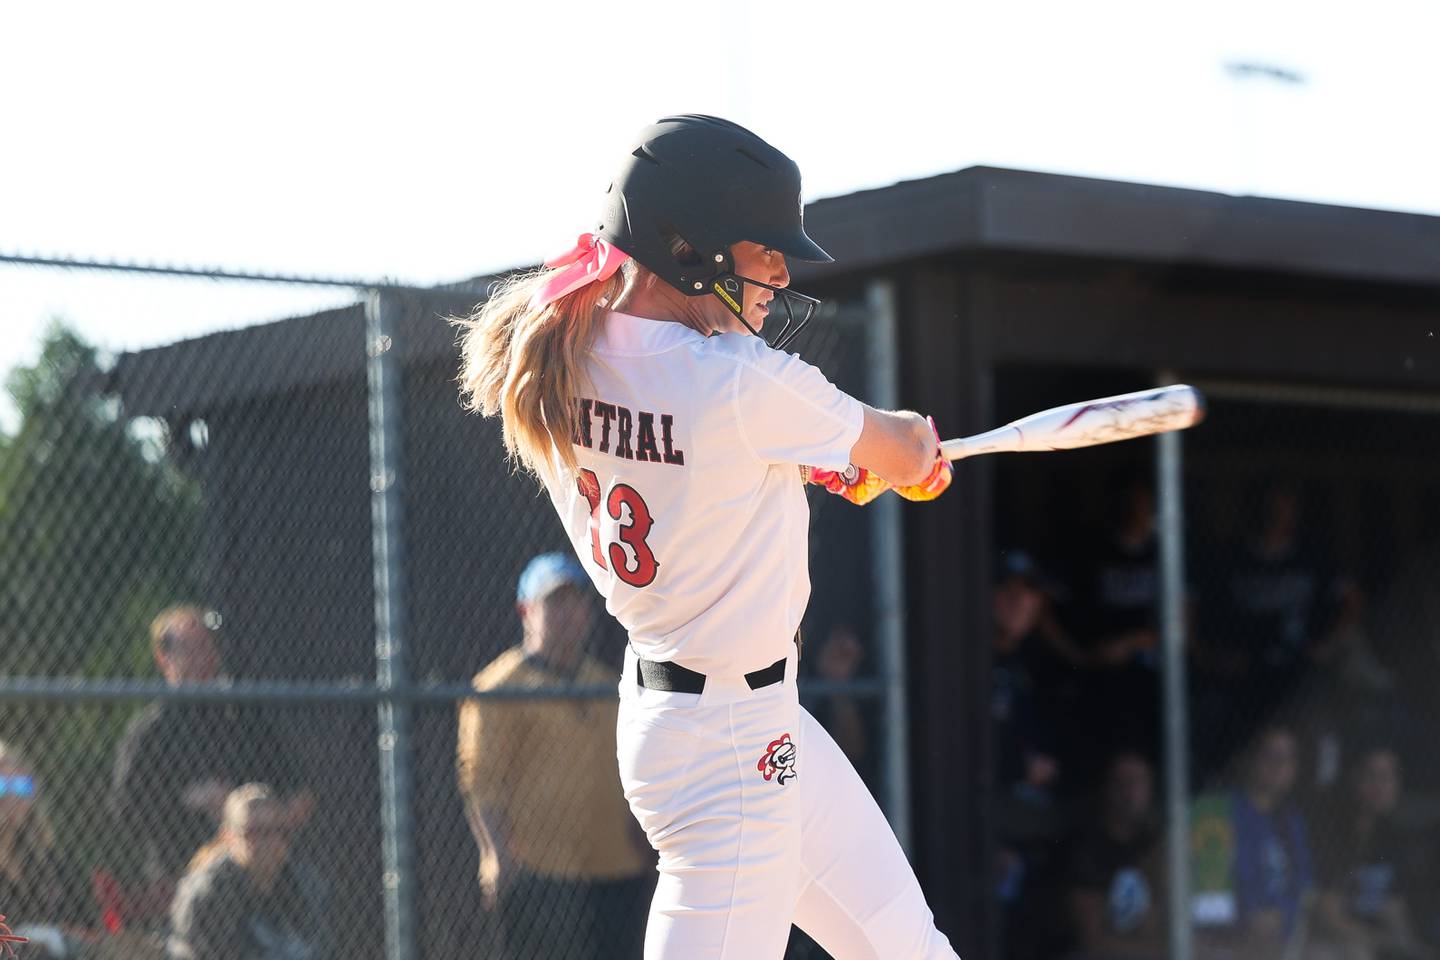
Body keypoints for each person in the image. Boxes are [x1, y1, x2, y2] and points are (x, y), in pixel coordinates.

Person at [455, 114, 958, 958]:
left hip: (723, 719)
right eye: (764, 249)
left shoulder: (563, 352)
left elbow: (704, 468)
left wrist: (809, 460)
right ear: (687, 249)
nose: (780, 271)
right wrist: (908, 455)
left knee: (905, 944)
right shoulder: (735, 379)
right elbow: (903, 448)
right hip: (726, 739)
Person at [456, 552, 654, 959]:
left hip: (616, 869)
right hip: (540, 875)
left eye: (575, 601)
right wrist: (495, 854)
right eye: (554, 603)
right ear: (526, 611)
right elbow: (481, 782)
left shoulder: (607, 683)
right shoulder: (496, 688)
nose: (568, 613)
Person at [108, 606, 313, 926]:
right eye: (189, 648)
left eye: (206, 646)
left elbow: (298, 789)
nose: (202, 658)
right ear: (164, 659)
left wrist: (267, 820)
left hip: (257, 880)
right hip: (180, 874)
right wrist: (188, 800)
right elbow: (125, 809)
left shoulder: (242, 717)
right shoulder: (150, 731)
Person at [167, 783, 328, 960]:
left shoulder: (304, 882)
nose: (268, 842)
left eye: (276, 830)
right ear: (228, 837)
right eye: (254, 832)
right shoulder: (205, 892)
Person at [1311, 746, 1432, 960]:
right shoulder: (1329, 833)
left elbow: (1394, 908)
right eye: (1374, 776)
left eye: (1390, 776)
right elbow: (1326, 915)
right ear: (1354, 779)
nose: (1383, 785)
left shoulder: (1391, 837)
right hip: (1326, 941)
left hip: (1372, 941)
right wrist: (1385, 942)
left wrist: (1411, 949)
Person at [1062, 751, 1167, 960]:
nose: (1130, 792)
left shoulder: (1157, 846)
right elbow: (1091, 939)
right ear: (1107, 789)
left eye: (1138, 782)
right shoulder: (1087, 851)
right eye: (1122, 782)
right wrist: (1165, 953)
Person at [1230, 723, 1314, 955]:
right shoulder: (1225, 813)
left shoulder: (1292, 821)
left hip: (1284, 931)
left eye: (1288, 759)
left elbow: (1304, 886)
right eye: (1271, 756)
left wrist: (1284, 916)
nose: (1280, 766)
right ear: (1252, 759)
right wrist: (1249, 914)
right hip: (1237, 930)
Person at [0, 739, 89, 934]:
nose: (12, 797)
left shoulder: (49, 857)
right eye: (2, 787)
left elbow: (87, 922)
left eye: (21, 786)